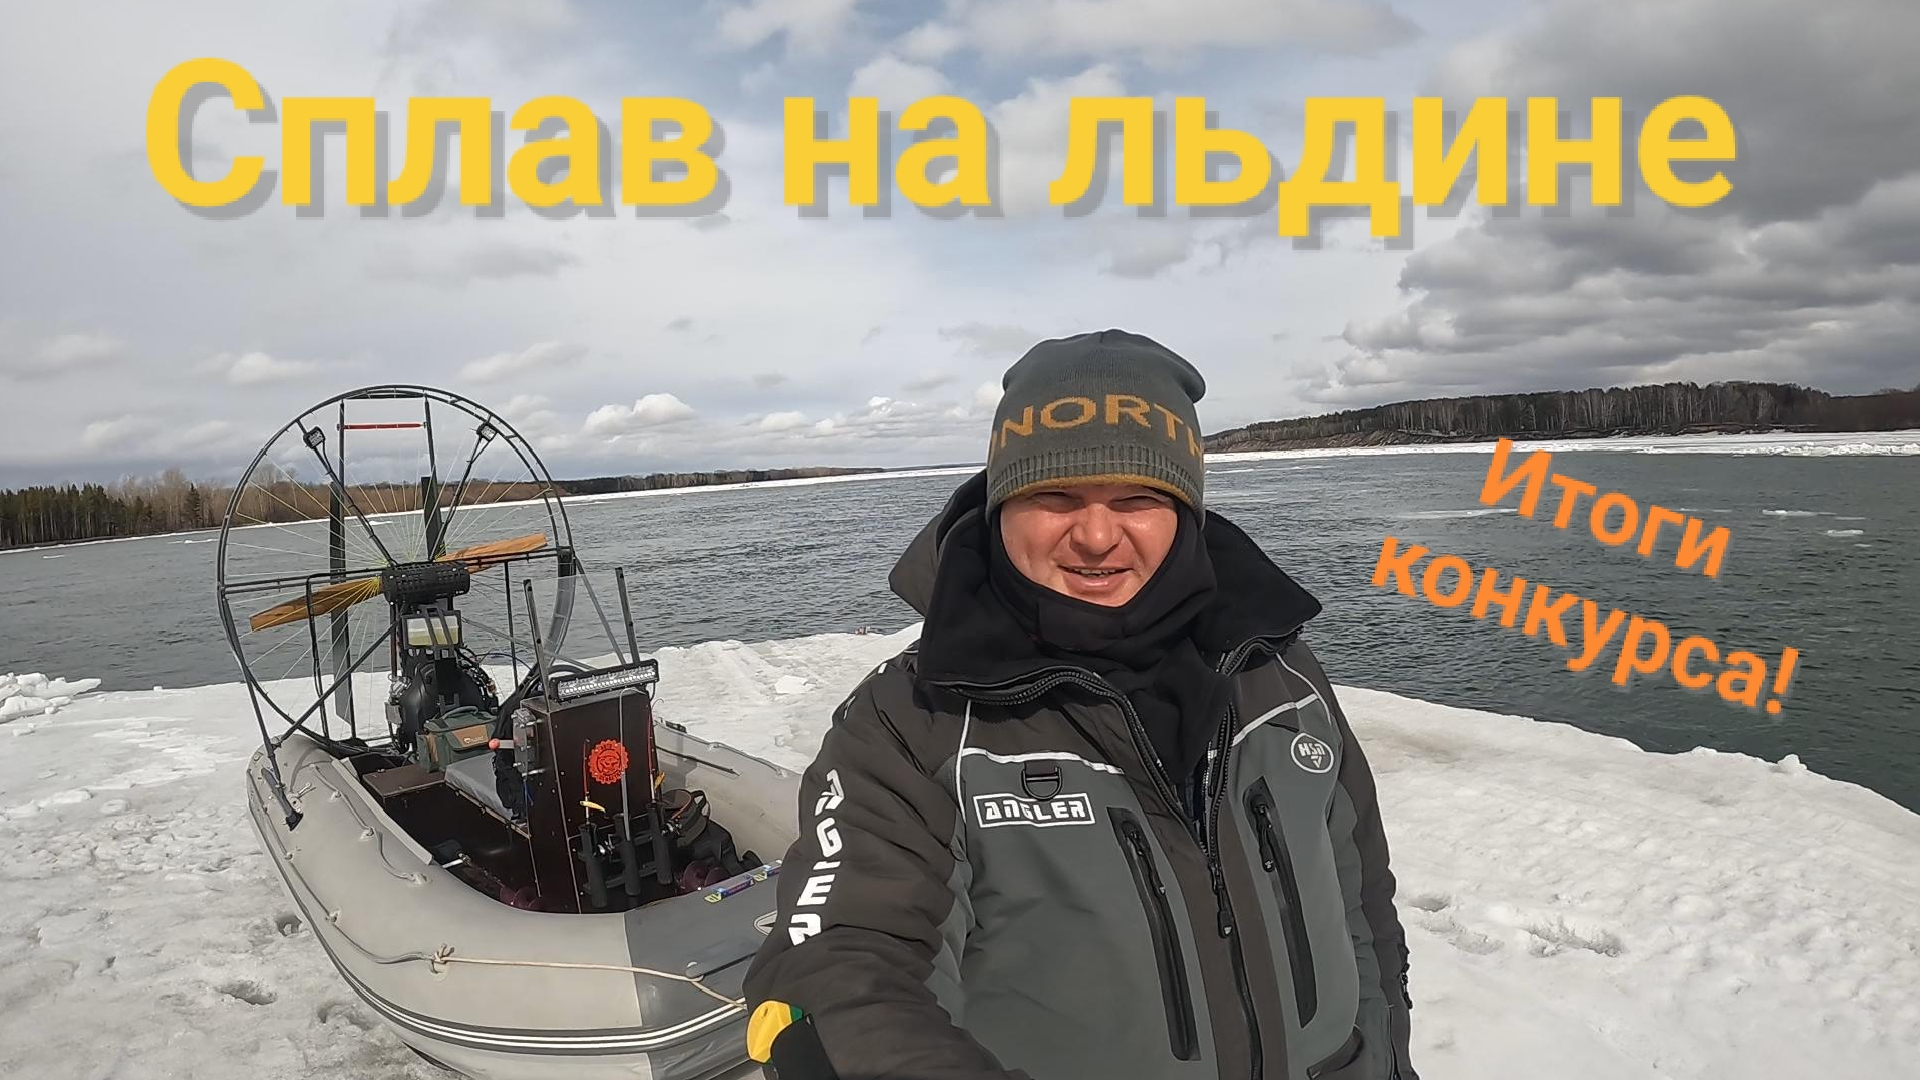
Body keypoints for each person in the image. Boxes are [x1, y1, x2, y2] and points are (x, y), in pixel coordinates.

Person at [743, 329, 1418, 1080]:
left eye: (1137, 498)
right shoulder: (914, 722)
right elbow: (847, 964)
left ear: (1185, 511)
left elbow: (1364, 904)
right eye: (1055, 496)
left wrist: (1386, 1060)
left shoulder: (1279, 671)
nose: (1096, 536)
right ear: (1001, 507)